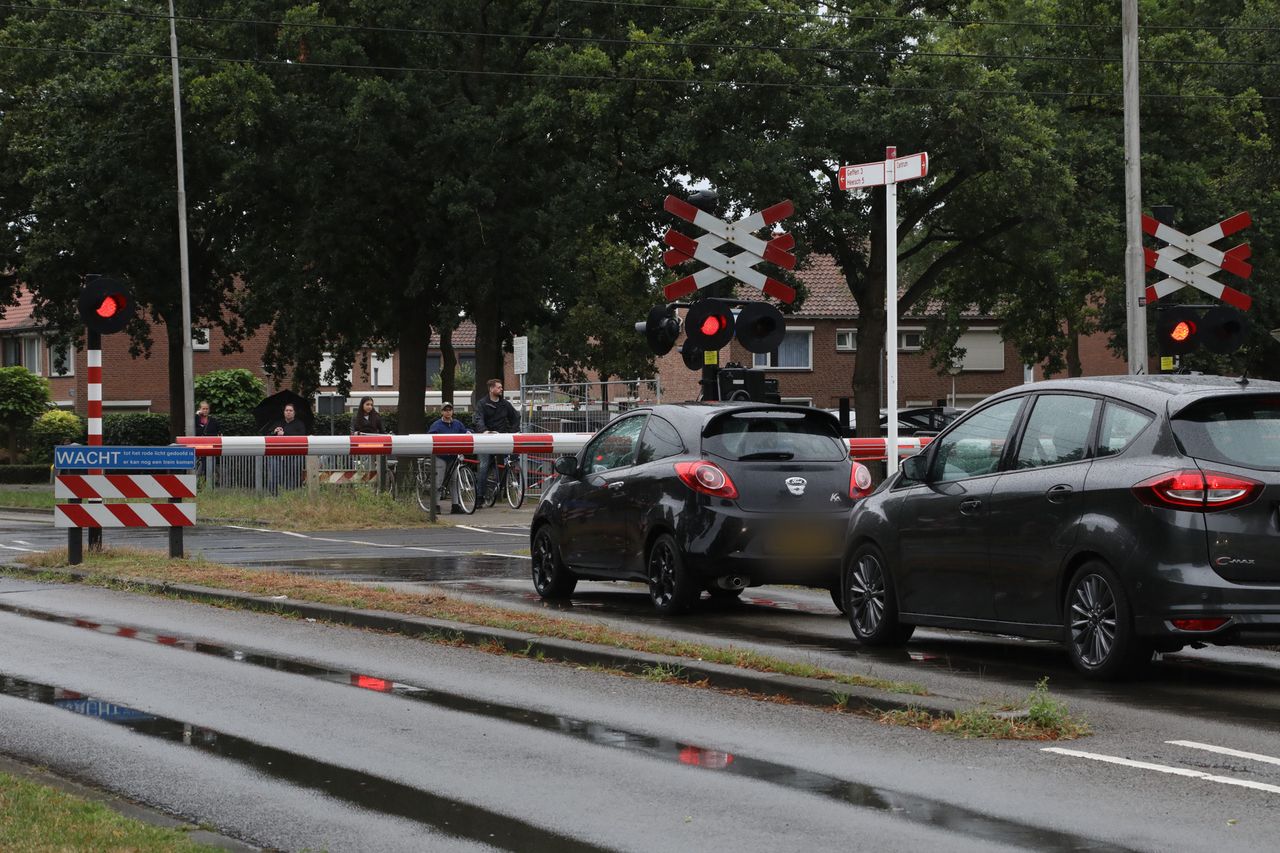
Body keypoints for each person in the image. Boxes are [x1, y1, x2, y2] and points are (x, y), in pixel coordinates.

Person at [473, 379, 519, 506]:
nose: (501, 389)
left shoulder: (505, 404)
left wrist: (512, 432)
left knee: (512, 459)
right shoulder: (482, 404)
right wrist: (484, 431)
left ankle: (507, 488)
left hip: (502, 438)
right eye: (499, 387)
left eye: (501, 387)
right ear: (491, 389)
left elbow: (516, 417)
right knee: (483, 467)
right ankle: (480, 497)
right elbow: (478, 419)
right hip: (486, 439)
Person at [429, 403, 471, 513]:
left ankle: (455, 505)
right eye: (445, 410)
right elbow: (430, 437)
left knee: (455, 480)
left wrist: (470, 432)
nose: (448, 412)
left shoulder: (457, 424)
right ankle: (435, 505)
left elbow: (464, 432)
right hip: (441, 456)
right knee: (438, 481)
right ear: (442, 412)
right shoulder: (436, 425)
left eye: (450, 410)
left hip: (453, 457)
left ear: (452, 411)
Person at [268, 402, 309, 493]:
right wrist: (274, 432)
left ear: (294, 413)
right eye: (286, 410)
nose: (288, 412)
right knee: (276, 475)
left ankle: (291, 493)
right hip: (278, 455)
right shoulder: (278, 423)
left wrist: (284, 434)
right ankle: (274, 494)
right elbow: (268, 435)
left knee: (292, 474)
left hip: (294, 455)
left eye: (290, 410)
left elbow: (301, 436)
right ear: (284, 412)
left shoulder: (299, 424)